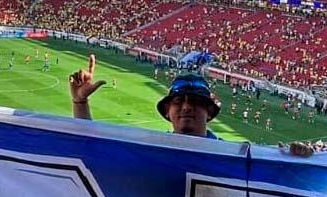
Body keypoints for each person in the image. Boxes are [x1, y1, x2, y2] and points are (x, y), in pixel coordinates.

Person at [70, 55, 221, 139]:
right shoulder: (153, 149)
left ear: (209, 111)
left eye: (195, 101)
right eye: (178, 101)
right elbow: (91, 153)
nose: (187, 107)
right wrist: (80, 102)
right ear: (167, 111)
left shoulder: (233, 159)